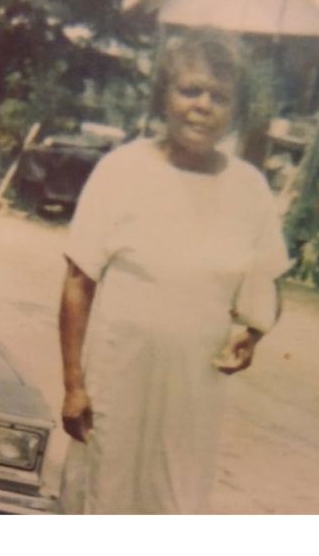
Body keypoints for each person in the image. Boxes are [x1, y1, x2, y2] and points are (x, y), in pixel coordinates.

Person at [57, 28, 291, 513]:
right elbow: (78, 284)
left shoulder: (249, 189)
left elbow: (266, 285)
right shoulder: (122, 171)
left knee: (175, 504)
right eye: (190, 90)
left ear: (235, 110)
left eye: (219, 96)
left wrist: (251, 335)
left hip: (193, 394)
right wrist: (74, 385)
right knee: (103, 497)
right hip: (116, 382)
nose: (203, 105)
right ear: (164, 96)